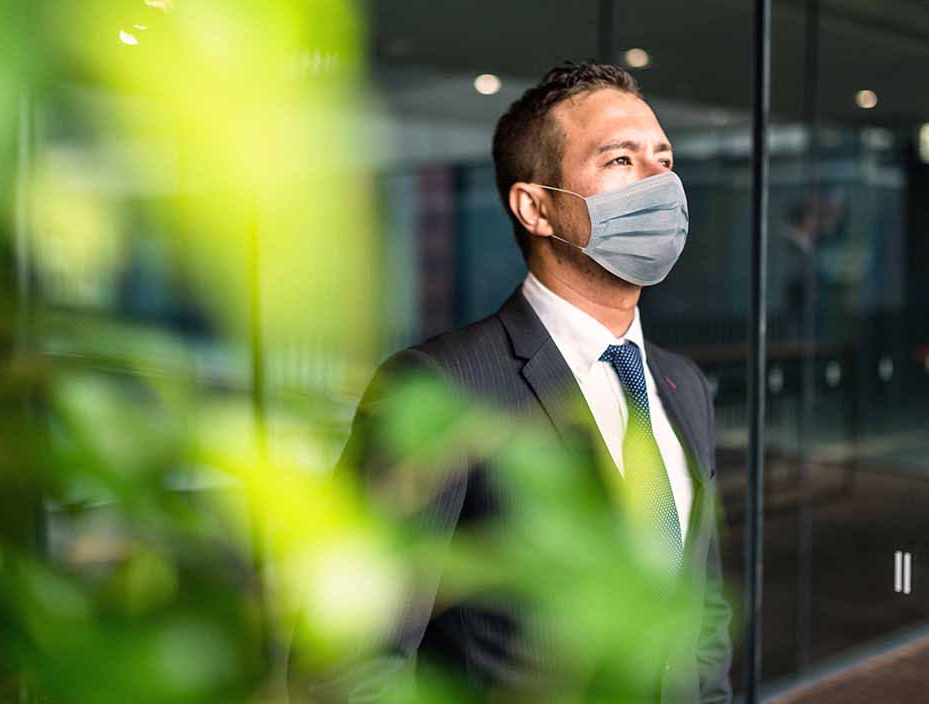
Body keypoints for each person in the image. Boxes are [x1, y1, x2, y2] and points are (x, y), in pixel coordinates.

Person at [292, 61, 732, 703]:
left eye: (663, 158)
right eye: (619, 160)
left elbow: (699, 608)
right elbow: (347, 661)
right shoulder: (441, 388)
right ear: (536, 206)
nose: (660, 181)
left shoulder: (682, 385)